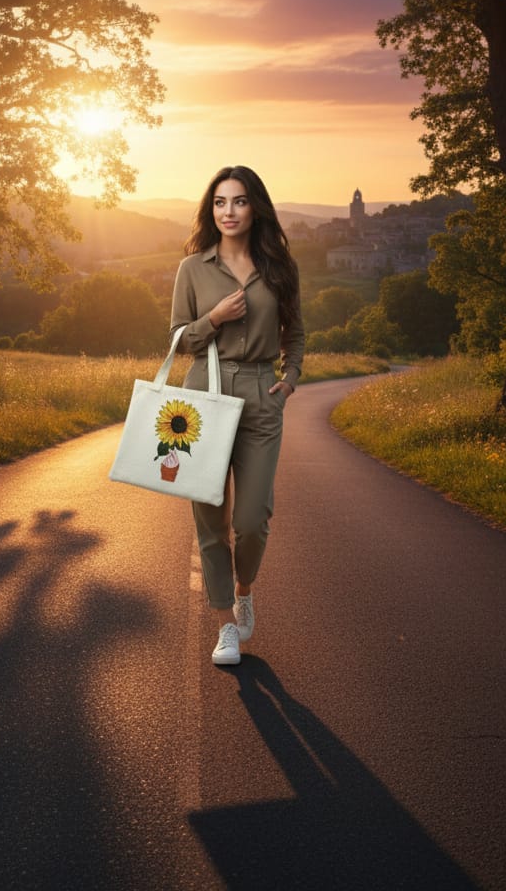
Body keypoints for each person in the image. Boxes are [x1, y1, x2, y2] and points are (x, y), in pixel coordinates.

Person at [170, 165, 305, 666]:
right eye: (221, 202)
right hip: (202, 392)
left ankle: (244, 587)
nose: (229, 211)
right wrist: (214, 319)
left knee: (252, 519)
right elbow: (179, 339)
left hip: (260, 395)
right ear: (211, 209)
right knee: (210, 517)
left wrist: (289, 379)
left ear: (256, 208)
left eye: (240, 201)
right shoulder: (192, 268)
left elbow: (297, 333)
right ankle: (226, 622)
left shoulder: (279, 267)